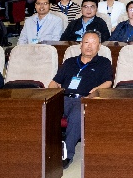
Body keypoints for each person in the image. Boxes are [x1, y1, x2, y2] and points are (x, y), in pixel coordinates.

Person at [49, 31, 114, 168]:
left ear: (99, 46)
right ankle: (44, 151)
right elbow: (55, 82)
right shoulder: (69, 62)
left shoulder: (103, 63)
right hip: (63, 98)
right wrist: (52, 93)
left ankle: (67, 155)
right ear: (81, 45)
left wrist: (95, 91)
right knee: (44, 111)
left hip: (84, 100)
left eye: (93, 43)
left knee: (77, 115)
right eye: (86, 42)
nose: (89, 46)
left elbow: (108, 82)